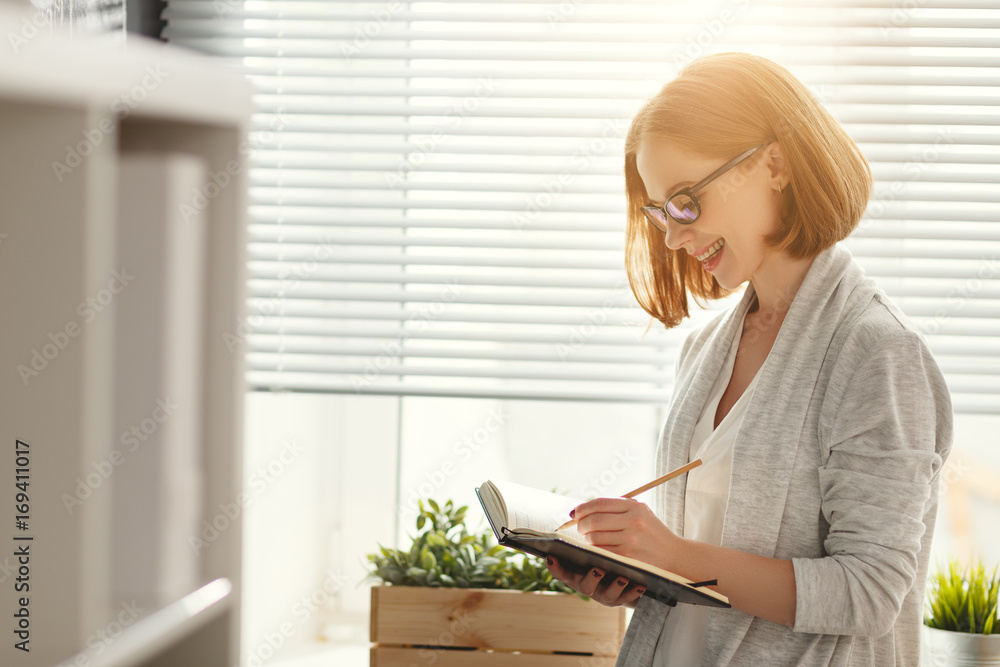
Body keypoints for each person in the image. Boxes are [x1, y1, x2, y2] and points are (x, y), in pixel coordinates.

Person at [545, 52, 954, 666]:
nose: (675, 236)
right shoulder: (706, 349)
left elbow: (870, 593)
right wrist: (633, 572)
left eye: (686, 200)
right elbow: (717, 567)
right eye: (660, 213)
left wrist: (672, 555)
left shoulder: (877, 352)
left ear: (775, 164)